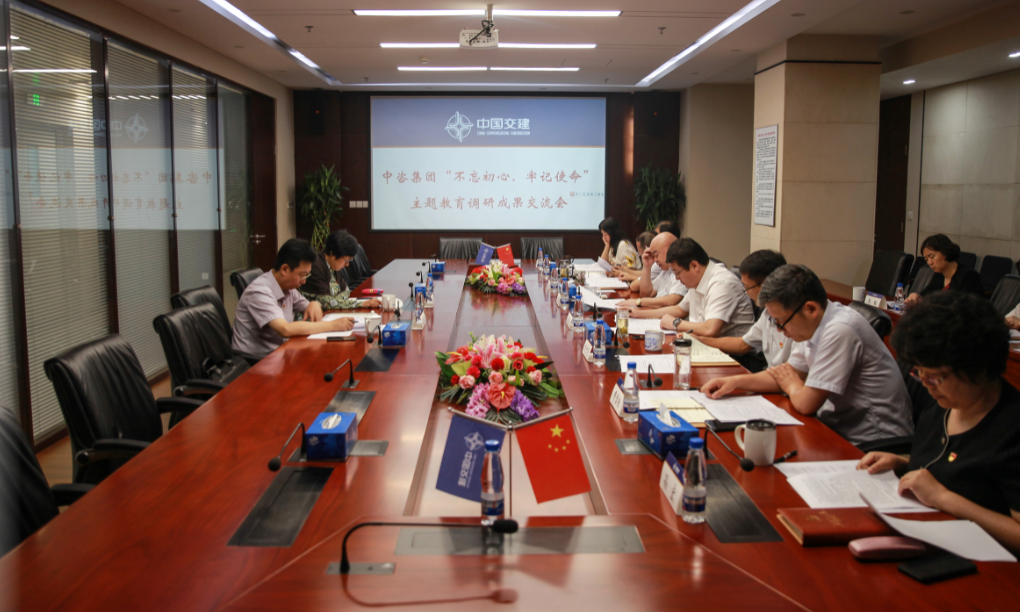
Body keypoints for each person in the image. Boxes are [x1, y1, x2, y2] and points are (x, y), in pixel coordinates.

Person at [858, 292, 1020, 555]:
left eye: (936, 377)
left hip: (983, 564)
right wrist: (903, 463)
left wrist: (943, 498)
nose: (926, 385)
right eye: (918, 373)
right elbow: (958, 471)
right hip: (925, 536)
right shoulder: (941, 408)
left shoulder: (1012, 429)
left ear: (978, 368)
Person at [701, 264, 913, 445]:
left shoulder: (840, 330)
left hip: (871, 441)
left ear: (810, 309)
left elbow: (805, 402)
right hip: (836, 428)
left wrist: (793, 385)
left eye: (781, 322)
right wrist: (735, 382)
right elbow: (784, 374)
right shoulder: (814, 325)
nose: (781, 330)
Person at [232, 238, 355, 361]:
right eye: (302, 275)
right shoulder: (259, 291)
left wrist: (313, 304)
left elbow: (308, 305)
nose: (304, 281)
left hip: (282, 352)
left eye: (307, 275)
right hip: (257, 362)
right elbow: (285, 329)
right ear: (285, 269)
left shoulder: (287, 288)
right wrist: (333, 325)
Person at [693, 250, 793, 368]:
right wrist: (698, 340)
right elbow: (742, 343)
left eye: (747, 287)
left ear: (766, 285)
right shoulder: (767, 314)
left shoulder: (796, 321)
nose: (747, 293)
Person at [653, 238, 753, 337]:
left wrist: (675, 323)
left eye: (677, 273)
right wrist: (643, 314)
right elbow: (680, 310)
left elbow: (710, 329)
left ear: (694, 266)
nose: (677, 278)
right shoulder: (697, 279)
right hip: (702, 342)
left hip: (727, 347)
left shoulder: (722, 282)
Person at [303, 230, 381, 311]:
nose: (347, 264)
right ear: (332, 253)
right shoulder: (315, 267)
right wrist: (362, 304)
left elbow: (346, 291)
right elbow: (327, 304)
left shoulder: (333, 265)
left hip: (333, 311)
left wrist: (336, 300)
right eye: (346, 260)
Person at [616, 231, 687, 317]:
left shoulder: (682, 270)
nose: (655, 260)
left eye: (656, 255)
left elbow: (671, 300)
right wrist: (647, 266)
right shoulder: (666, 271)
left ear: (669, 250)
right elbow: (646, 294)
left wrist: (638, 302)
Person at [904, 234, 983, 306]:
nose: (929, 262)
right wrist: (916, 296)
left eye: (932, 257)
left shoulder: (969, 276)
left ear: (945, 252)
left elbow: (965, 307)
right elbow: (927, 293)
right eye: (926, 259)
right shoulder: (939, 275)